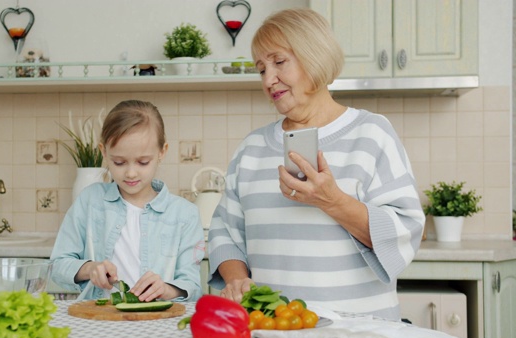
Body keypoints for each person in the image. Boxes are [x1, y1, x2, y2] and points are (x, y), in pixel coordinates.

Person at [207, 8, 425, 320]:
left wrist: (333, 202)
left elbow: (406, 229)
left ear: (314, 55)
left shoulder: (372, 133)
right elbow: (225, 233)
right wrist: (236, 279)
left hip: (361, 335)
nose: (269, 80)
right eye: (261, 69)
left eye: (279, 62)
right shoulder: (251, 149)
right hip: (275, 334)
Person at [51, 100, 205, 302]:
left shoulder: (185, 214)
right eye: (119, 162)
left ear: (162, 151)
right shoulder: (90, 201)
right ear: (104, 152)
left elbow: (193, 285)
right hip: (99, 322)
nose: (131, 173)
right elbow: (57, 266)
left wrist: (167, 289)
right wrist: (90, 268)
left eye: (143, 162)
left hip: (158, 325)